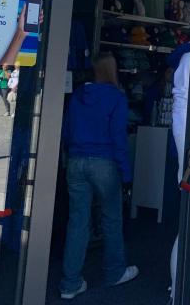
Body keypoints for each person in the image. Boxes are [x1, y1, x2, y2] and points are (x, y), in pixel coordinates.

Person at [59, 52, 138, 300]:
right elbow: (118, 138)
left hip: (76, 161)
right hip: (104, 162)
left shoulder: (78, 95)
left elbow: (66, 130)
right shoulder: (116, 97)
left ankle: (70, 283)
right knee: (111, 219)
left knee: (77, 222)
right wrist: (126, 174)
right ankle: (115, 272)